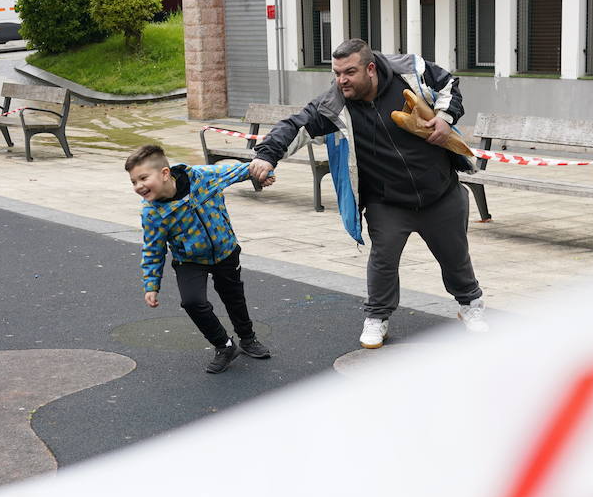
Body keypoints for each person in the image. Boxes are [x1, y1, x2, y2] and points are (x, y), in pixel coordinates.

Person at [247, 38, 488, 349]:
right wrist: (266, 155)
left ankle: (471, 306)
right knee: (383, 261)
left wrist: (444, 118)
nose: (341, 80)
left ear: (370, 69)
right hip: (387, 202)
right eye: (336, 73)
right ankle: (377, 317)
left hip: (440, 192)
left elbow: (449, 85)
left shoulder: (410, 72)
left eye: (349, 72)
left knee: (455, 257)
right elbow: (296, 125)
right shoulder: (335, 104)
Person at [127, 143, 273, 374]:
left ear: (165, 174)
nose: (139, 186)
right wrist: (151, 284)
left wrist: (265, 172)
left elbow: (236, 171)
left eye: (143, 178)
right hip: (189, 260)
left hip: (224, 250)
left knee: (233, 296)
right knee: (192, 301)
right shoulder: (152, 212)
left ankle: (247, 338)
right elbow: (153, 249)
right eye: (134, 181)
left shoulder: (201, 177)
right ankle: (224, 346)